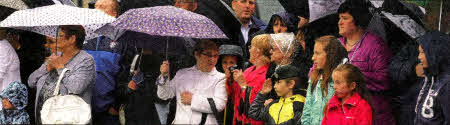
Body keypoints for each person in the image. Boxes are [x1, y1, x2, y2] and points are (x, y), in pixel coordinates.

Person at [337, 2, 394, 125]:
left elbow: (385, 79)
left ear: (357, 21)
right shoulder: (336, 45)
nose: (339, 22)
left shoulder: (375, 45)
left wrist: (353, 75)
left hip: (370, 114)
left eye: (345, 18)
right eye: (339, 18)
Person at [28, 25, 95, 124]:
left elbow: (77, 87)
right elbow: (31, 82)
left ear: (72, 39)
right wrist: (46, 68)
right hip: (45, 117)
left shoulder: (86, 60)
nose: (56, 38)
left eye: (60, 36)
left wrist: (60, 68)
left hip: (68, 119)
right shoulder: (55, 56)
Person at [156, 40, 227, 124]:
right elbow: (164, 95)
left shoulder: (220, 78)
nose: (212, 59)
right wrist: (164, 76)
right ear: (197, 55)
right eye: (208, 55)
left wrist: (192, 100)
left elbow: (219, 105)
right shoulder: (182, 73)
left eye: (215, 56)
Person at [84, 0, 122, 124]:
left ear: (114, 14)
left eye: (102, 7)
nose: (96, 10)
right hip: (82, 108)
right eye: (95, 7)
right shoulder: (83, 36)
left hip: (108, 112)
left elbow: (125, 75)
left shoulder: (122, 40)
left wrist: (115, 106)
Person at [301, 35, 348, 125]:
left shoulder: (342, 80)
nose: (313, 58)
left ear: (331, 55)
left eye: (317, 53)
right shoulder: (315, 76)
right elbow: (307, 110)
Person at [230, 34, 271, 125]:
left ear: (258, 52)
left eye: (251, 47)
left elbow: (254, 105)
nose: (249, 50)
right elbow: (236, 96)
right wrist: (231, 81)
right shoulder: (249, 70)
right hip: (239, 120)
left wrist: (243, 84)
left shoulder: (266, 75)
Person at [414, 31, 450, 125]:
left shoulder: (446, 84)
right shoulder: (432, 77)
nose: (419, 57)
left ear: (434, 53)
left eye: (422, 53)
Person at [217, 44, 245, 125]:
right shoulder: (217, 78)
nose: (228, 66)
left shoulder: (243, 78)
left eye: (232, 62)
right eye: (224, 62)